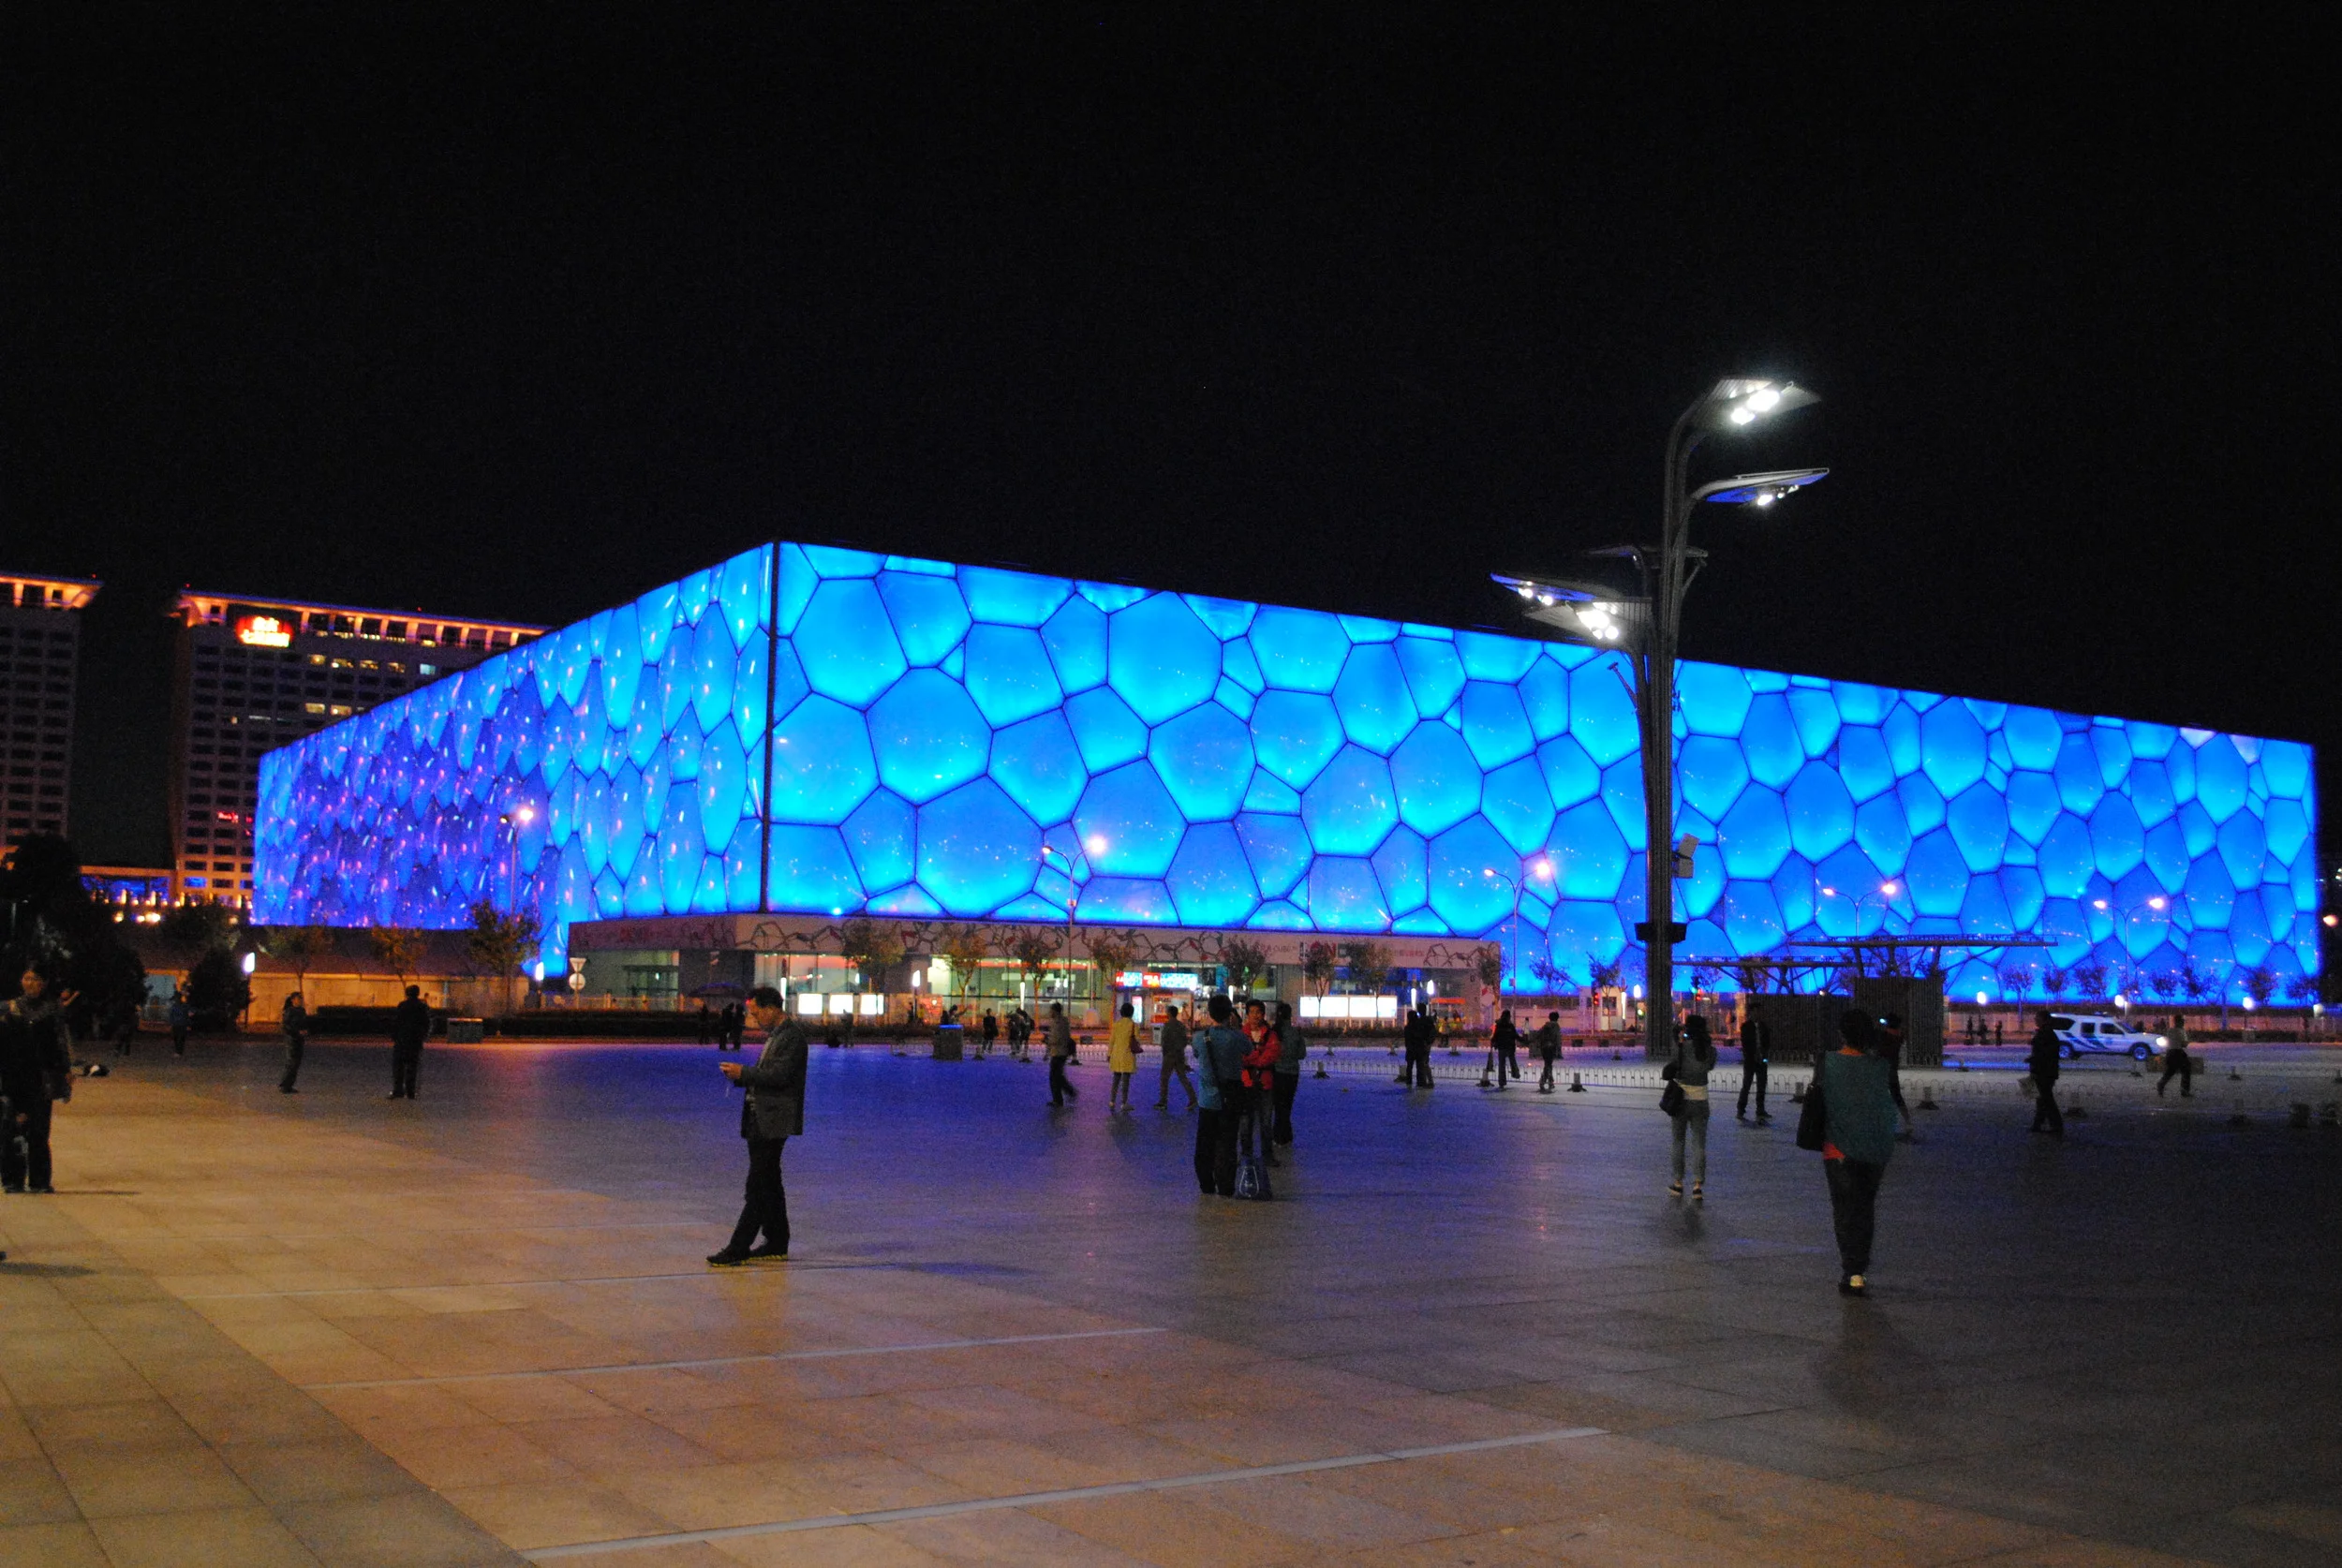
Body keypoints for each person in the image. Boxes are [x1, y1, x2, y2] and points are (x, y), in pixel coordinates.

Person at [710, 986, 805, 1265]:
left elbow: (780, 1076)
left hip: (773, 1119)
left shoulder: (792, 1037)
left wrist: (744, 1073)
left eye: (756, 1012)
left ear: (771, 1008)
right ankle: (777, 1241)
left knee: (758, 1185)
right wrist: (741, 1077)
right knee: (770, 1182)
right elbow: (769, 1074)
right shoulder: (777, 1036)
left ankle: (739, 1246)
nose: (754, 1018)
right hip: (760, 1116)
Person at [1817, 1009, 1901, 1295]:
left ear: (1841, 1033)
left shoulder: (1828, 1063)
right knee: (1865, 1208)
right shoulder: (1880, 1065)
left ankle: (1851, 1270)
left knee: (1844, 1210)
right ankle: (1859, 1271)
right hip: (1875, 1148)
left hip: (1838, 1148)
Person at [1, 968, 75, 1194]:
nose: (29, 983)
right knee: (13, 1127)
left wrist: (66, 1070)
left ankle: (40, 1180)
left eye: (35, 979)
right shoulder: (9, 1008)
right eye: (26, 978)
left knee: (40, 1130)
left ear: (43, 983)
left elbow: (61, 1041)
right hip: (13, 1076)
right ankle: (12, 1179)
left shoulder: (52, 1008)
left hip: (42, 1077)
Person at [1193, 995, 1250, 1195]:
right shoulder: (1237, 1037)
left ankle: (1206, 1184)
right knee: (1227, 1143)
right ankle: (1226, 1185)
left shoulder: (1199, 1038)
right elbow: (1249, 1050)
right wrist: (1236, 1025)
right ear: (1230, 1014)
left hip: (1207, 1100)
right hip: (1230, 1099)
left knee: (1205, 1143)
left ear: (1209, 1013)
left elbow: (1197, 1055)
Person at [1668, 1014, 1716, 1200]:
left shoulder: (1682, 1048)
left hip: (1680, 1100)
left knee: (1678, 1141)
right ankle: (1697, 1185)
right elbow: (1709, 1067)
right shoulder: (1709, 1051)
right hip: (1700, 1100)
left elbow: (1674, 1062)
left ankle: (1678, 1182)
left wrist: (1675, 1037)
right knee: (1699, 1144)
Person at [1239, 1000, 1280, 1168]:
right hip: (1246, 1084)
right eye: (1252, 1012)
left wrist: (1253, 1060)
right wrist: (1257, 1058)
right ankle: (1246, 1154)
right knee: (1245, 1123)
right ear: (1247, 1015)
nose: (1255, 1015)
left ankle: (1267, 1155)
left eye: (1258, 1012)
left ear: (1263, 1014)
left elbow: (1272, 1055)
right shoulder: (1241, 1035)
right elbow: (1239, 1057)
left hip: (1265, 1084)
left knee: (1265, 1122)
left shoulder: (1271, 1035)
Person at [1271, 999, 1306, 1145]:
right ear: (1290, 1015)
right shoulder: (1295, 1033)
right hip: (1292, 1073)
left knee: (1278, 1106)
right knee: (1287, 1104)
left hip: (1277, 1072)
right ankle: (1286, 1135)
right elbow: (1301, 1054)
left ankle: (1279, 1135)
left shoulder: (1273, 1033)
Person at [2026, 1009, 2065, 1137]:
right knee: (2042, 1100)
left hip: (2044, 1072)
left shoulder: (2046, 1033)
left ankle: (2056, 1126)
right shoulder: (2046, 1033)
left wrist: (2033, 1060)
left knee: (2046, 1100)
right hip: (2045, 1071)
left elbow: (2044, 1053)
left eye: (2037, 1017)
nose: (2035, 1020)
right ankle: (2038, 1124)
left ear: (2043, 1019)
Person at [387, 984, 429, 1100]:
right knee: (412, 1066)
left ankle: (398, 1090)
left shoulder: (402, 1006)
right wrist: (423, 1036)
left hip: (402, 1040)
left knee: (399, 1066)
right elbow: (426, 1023)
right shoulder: (422, 1007)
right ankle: (410, 1091)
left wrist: (394, 1036)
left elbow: (397, 1022)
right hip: (415, 1040)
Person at [1877, 1011, 1914, 1138]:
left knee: (1880, 1097)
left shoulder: (1884, 1037)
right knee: (1897, 1096)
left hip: (1882, 1070)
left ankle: (1882, 1124)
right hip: (1892, 1070)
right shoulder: (1899, 1037)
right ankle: (1908, 1122)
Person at [1155, 1002, 1196, 1110]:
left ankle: (1163, 1101)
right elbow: (1185, 1040)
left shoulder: (1167, 1026)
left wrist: (1165, 1053)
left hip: (1169, 1055)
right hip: (1179, 1055)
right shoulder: (1181, 1026)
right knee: (1183, 1078)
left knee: (1164, 1079)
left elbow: (1164, 1042)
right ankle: (1193, 1099)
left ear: (1169, 1013)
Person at [1106, 1002, 1140, 1113]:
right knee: (1125, 1081)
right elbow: (1137, 1039)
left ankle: (1112, 1100)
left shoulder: (1116, 1024)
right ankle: (1124, 1102)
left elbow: (1112, 1040)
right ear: (1131, 1013)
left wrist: (1109, 1054)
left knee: (1115, 1079)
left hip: (1116, 1055)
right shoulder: (1133, 1025)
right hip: (1127, 1055)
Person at [1737, 1009, 1771, 1120]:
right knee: (1747, 1085)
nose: (1758, 1014)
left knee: (1761, 1085)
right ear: (1751, 1014)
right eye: (1755, 1012)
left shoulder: (1763, 1026)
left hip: (1761, 1059)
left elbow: (1767, 1041)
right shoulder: (1746, 1026)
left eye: (1759, 1012)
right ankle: (1741, 1109)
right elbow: (1745, 1042)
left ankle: (1760, 1109)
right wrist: (1752, 1053)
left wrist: (1764, 1054)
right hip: (1750, 1060)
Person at [1045, 1002, 1078, 1105]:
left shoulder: (1057, 1023)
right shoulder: (1063, 1021)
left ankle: (1058, 1099)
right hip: (1061, 1052)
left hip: (1059, 1052)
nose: (1050, 1012)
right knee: (1058, 1075)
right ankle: (1069, 1092)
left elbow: (1057, 1038)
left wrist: (1048, 1041)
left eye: (1051, 1010)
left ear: (1055, 1011)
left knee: (1054, 1077)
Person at [278, 991, 309, 1093]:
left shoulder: (302, 1011)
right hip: (292, 1039)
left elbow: (304, 1023)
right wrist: (296, 1031)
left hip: (300, 1039)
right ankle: (284, 1085)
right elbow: (285, 1026)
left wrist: (305, 1030)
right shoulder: (290, 1011)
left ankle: (289, 1085)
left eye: (301, 999)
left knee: (296, 1063)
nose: (300, 1001)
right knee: (292, 1062)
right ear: (292, 1000)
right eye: (298, 999)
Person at [1401, 1004, 1436, 1088]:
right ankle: (1422, 1082)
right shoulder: (1424, 1021)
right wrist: (1427, 1042)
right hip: (1421, 1047)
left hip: (1413, 1048)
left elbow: (1408, 1039)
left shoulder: (1412, 1025)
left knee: (1413, 1066)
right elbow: (1430, 1033)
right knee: (1421, 1065)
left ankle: (1411, 1081)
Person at [2157, 1015, 2193, 1097]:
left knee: (2170, 1071)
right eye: (2183, 1021)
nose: (2183, 1023)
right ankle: (2184, 1090)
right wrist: (2189, 1039)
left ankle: (2161, 1084)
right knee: (2186, 1070)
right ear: (2180, 1022)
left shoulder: (2170, 1030)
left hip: (2170, 1052)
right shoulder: (2181, 1031)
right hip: (2178, 1053)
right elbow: (2184, 1044)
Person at [1484, 1009, 1519, 1090]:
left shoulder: (1499, 1025)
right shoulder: (1510, 1025)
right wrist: (1525, 1041)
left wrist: (1493, 1042)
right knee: (1512, 1061)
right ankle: (1515, 1073)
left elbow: (1496, 1036)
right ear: (1508, 1017)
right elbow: (1515, 1035)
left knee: (1501, 1065)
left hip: (1502, 1047)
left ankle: (1502, 1083)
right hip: (1509, 1047)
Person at [1534, 1011, 1562, 1091]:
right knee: (1548, 1065)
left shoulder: (1545, 1025)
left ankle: (1549, 1081)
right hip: (1551, 1047)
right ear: (1557, 1018)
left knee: (1548, 1064)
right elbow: (1558, 1038)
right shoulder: (1556, 1026)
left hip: (1544, 1048)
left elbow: (1538, 1034)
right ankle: (1544, 1081)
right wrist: (1558, 1049)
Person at [168, 989, 190, 1056]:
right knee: (177, 1038)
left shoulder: (182, 1006)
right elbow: (171, 1015)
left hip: (181, 1024)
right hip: (178, 1024)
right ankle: (178, 1051)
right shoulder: (177, 1006)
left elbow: (186, 1015)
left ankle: (179, 1051)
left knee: (179, 1038)